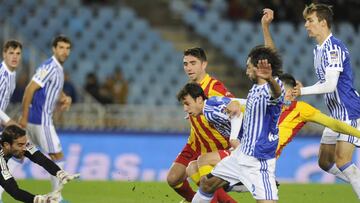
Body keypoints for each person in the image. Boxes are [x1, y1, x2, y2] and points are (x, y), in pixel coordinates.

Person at [192, 45, 284, 203]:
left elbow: (277, 94)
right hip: (241, 155)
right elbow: (269, 54)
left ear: (258, 68)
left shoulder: (273, 87)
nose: (246, 71)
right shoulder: (255, 88)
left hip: (258, 162)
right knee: (207, 184)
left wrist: (269, 79)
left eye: (248, 67)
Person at [292, 3, 360, 198]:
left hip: (348, 111)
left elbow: (330, 85)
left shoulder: (334, 48)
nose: (306, 25)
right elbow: (324, 81)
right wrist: (302, 87)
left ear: (323, 22)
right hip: (335, 114)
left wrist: (302, 91)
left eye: (310, 20)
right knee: (324, 162)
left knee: (343, 161)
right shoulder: (318, 50)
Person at [167, 47, 236, 203]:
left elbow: (231, 105)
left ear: (204, 64)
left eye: (193, 63)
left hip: (216, 144)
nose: (188, 68)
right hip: (195, 143)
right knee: (173, 178)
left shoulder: (214, 87)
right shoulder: (191, 88)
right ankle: (196, 200)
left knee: (208, 184)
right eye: (185, 64)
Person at [19, 35, 73, 201]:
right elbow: (29, 89)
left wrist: (64, 97)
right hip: (40, 121)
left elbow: (54, 88)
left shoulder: (58, 69)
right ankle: (57, 198)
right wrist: (24, 118)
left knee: (17, 155)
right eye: (61, 48)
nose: (64, 51)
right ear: (54, 49)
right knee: (57, 156)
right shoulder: (49, 66)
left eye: (67, 48)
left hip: (37, 120)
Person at [0, 125, 79, 203]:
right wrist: (37, 199)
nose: (24, 148)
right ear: (6, 145)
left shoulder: (18, 143)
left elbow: (40, 159)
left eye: (25, 144)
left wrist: (59, 172)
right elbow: (14, 191)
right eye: (20, 145)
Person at [0, 40, 22, 127]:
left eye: (18, 53)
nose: (15, 57)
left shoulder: (12, 73)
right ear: (4, 54)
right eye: (11, 53)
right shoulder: (2, 75)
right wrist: (10, 122)